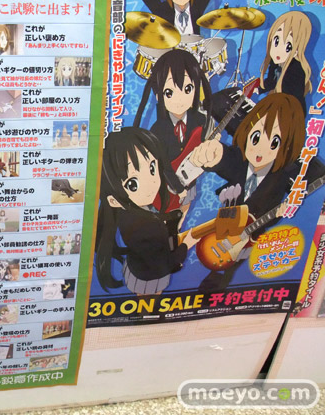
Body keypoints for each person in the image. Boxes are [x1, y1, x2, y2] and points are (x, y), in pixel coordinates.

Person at [190, 92, 306, 292]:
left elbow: (274, 207)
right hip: (226, 224)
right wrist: (214, 154)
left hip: (250, 235)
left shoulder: (281, 176)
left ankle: (220, 284)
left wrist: (280, 213)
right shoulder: (241, 159)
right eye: (256, 137)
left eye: (274, 143)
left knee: (231, 267)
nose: (260, 150)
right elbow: (227, 159)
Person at [95, 127, 197, 295]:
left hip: (137, 267)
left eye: (152, 168)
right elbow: (163, 265)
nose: (151, 183)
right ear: (113, 200)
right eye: (133, 184)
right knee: (150, 300)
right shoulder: (144, 225)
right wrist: (187, 244)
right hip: (149, 277)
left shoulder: (129, 211)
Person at [134, 49, 212, 217]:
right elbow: (163, 166)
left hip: (190, 179)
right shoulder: (157, 130)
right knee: (163, 219)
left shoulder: (200, 120)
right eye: (169, 92)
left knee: (184, 213)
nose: (179, 99)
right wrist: (178, 188)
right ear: (158, 95)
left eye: (188, 89)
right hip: (165, 188)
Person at [257, 11, 312, 114]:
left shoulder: (297, 70)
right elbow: (271, 81)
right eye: (276, 41)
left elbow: (292, 99)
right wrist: (258, 89)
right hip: (277, 103)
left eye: (288, 46)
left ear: (297, 50)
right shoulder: (275, 61)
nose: (278, 51)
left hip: (292, 112)